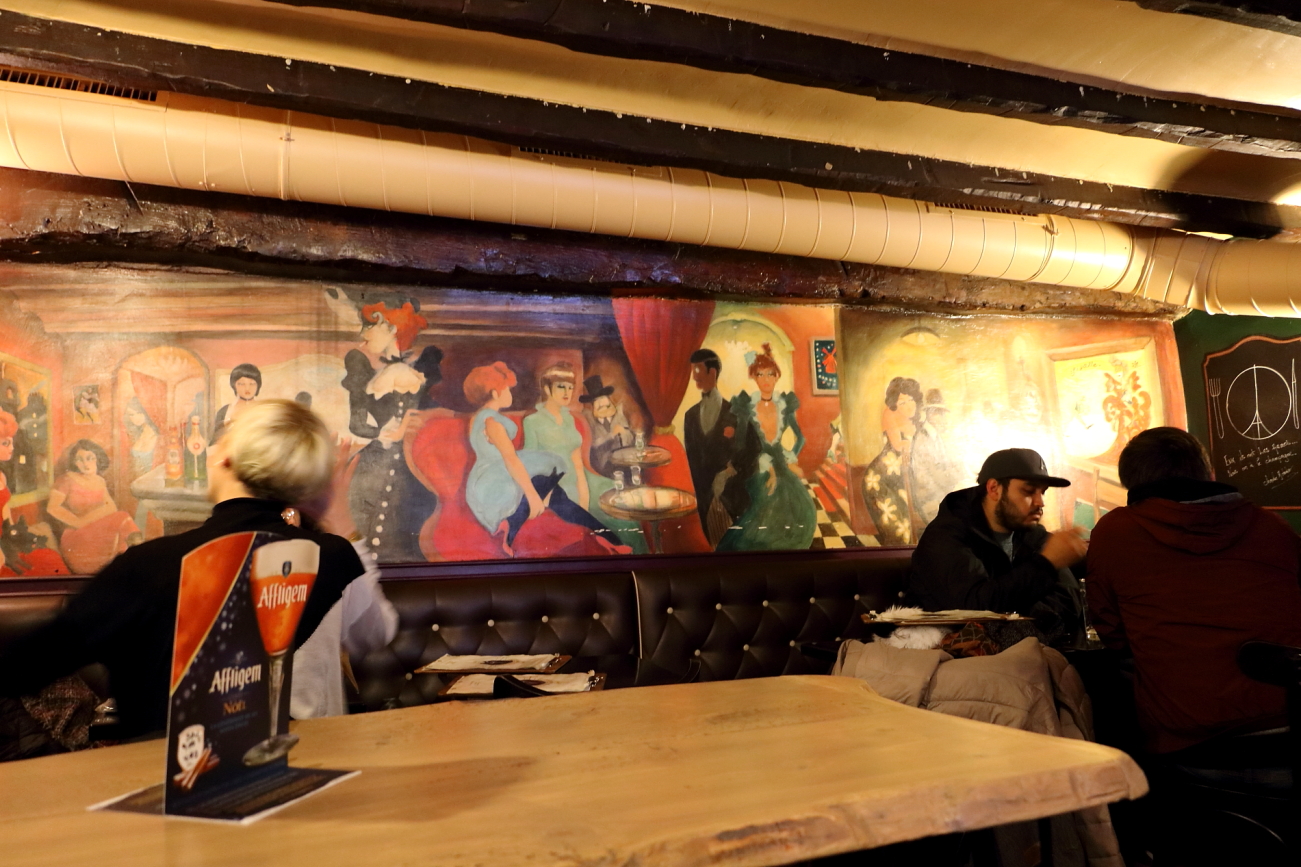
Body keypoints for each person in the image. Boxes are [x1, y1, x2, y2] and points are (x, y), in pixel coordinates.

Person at [0, 399, 366, 741]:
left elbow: (33, 662)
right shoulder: (331, 558)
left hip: (155, 775)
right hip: (258, 767)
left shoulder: (145, 568)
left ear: (226, 459)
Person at [1087, 427, 1301, 756]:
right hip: (1288, 728)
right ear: (1209, 473)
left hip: (1188, 742)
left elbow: (1114, 636)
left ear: (1131, 485)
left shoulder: (1115, 533)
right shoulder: (1272, 528)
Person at [906, 448, 1087, 646]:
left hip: (1016, 652)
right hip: (944, 652)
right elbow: (974, 609)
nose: (1040, 502)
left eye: (1042, 492)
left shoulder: (1032, 534)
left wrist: (1022, 624)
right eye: (1028, 491)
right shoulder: (945, 536)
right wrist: (1046, 564)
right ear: (994, 489)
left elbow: (1069, 600)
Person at [464, 362, 628, 557]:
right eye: (507, 388)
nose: (510, 393)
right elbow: (510, 459)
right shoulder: (491, 421)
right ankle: (511, 527)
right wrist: (533, 497)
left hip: (496, 475)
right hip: (496, 479)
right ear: (495, 392)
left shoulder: (481, 418)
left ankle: (610, 539)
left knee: (556, 493)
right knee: (552, 469)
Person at [340, 300, 442, 564]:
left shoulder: (415, 371)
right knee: (363, 515)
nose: (365, 333)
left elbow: (424, 415)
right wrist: (380, 434)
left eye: (372, 326)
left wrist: (404, 427)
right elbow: (356, 423)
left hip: (410, 461)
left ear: (393, 329)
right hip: (374, 460)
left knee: (405, 522)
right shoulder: (360, 365)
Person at [717, 344, 816, 551]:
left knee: (802, 509)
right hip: (756, 464)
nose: (766, 380)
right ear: (754, 377)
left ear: (777, 376)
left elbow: (801, 438)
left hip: (782, 464)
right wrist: (766, 468)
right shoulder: (746, 406)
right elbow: (741, 444)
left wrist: (790, 460)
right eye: (760, 374)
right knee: (764, 501)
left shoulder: (785, 405)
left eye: (770, 374)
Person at [683, 348, 760, 548]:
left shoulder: (736, 414)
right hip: (704, 501)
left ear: (713, 372)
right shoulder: (690, 416)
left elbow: (754, 449)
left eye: (697, 370)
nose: (694, 377)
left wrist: (729, 472)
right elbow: (692, 461)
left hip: (732, 499)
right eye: (692, 371)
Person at [46, 440, 142, 575]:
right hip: (76, 538)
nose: (85, 464)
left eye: (89, 458)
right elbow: (52, 508)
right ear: (74, 462)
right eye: (79, 459)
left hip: (96, 534)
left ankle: (138, 561)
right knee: (123, 517)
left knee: (123, 520)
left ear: (98, 459)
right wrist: (79, 522)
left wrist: (92, 518)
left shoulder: (100, 481)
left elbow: (112, 508)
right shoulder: (67, 479)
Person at [863, 377, 923, 546]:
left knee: (908, 527)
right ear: (894, 404)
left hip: (900, 478)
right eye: (902, 402)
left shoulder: (917, 419)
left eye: (911, 400)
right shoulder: (890, 414)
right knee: (898, 529)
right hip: (879, 480)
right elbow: (898, 445)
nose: (909, 405)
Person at [578, 376, 633, 479]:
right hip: (603, 464)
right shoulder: (588, 420)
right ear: (593, 406)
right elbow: (594, 443)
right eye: (600, 406)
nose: (605, 408)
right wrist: (612, 435)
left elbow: (629, 438)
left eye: (607, 405)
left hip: (622, 461)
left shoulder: (619, 415)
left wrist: (624, 434)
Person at [212, 362, 262, 433]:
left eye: (252, 384)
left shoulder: (265, 409)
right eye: (241, 384)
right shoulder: (224, 411)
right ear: (234, 385)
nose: (247, 388)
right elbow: (216, 437)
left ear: (258, 385)